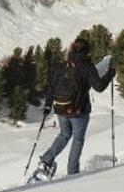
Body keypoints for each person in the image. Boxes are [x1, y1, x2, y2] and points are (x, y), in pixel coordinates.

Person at [35, 35, 116, 178]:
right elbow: (99, 87)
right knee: (77, 140)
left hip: (60, 108)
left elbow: (51, 87)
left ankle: (46, 162)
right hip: (79, 111)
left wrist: (48, 107)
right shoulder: (87, 67)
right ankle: (72, 173)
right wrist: (109, 74)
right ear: (87, 51)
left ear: (73, 49)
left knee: (64, 135)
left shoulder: (62, 65)